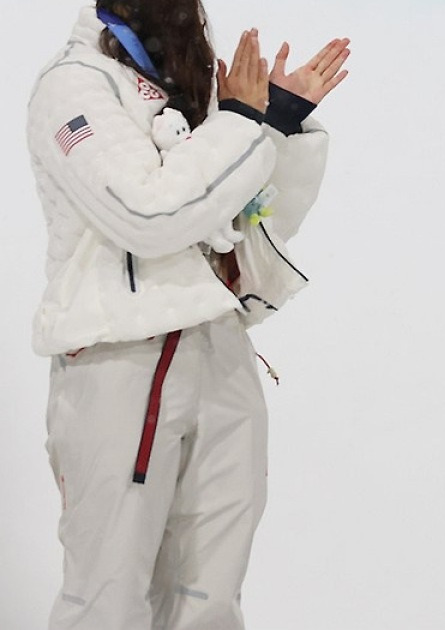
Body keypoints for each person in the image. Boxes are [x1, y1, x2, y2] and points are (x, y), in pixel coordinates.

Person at [26, 1, 349, 628]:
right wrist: (242, 122)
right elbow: (150, 216)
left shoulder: (184, 85)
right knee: (107, 596)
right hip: (119, 356)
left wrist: (274, 122)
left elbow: (239, 226)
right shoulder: (76, 83)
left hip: (216, 348)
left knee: (209, 596)